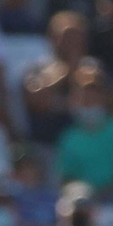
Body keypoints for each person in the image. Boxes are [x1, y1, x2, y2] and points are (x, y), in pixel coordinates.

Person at [54, 64, 113, 199]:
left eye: (94, 97)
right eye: (85, 98)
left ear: (106, 98)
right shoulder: (69, 137)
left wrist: (107, 195)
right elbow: (66, 179)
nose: (89, 103)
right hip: (82, 204)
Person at [21, 11, 89, 145]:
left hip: (85, 145)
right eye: (66, 37)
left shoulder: (92, 71)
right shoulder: (36, 68)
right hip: (45, 143)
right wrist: (67, 71)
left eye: (76, 37)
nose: (71, 43)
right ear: (51, 38)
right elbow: (36, 99)